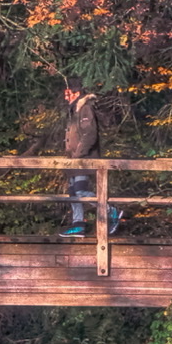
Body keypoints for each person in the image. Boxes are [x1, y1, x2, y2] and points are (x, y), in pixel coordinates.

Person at [58, 78, 120, 237]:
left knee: (80, 191)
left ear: (76, 93)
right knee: (73, 192)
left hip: (83, 160)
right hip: (73, 161)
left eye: (68, 94)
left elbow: (89, 135)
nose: (66, 97)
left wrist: (78, 155)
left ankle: (110, 210)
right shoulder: (74, 111)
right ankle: (78, 225)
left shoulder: (85, 109)